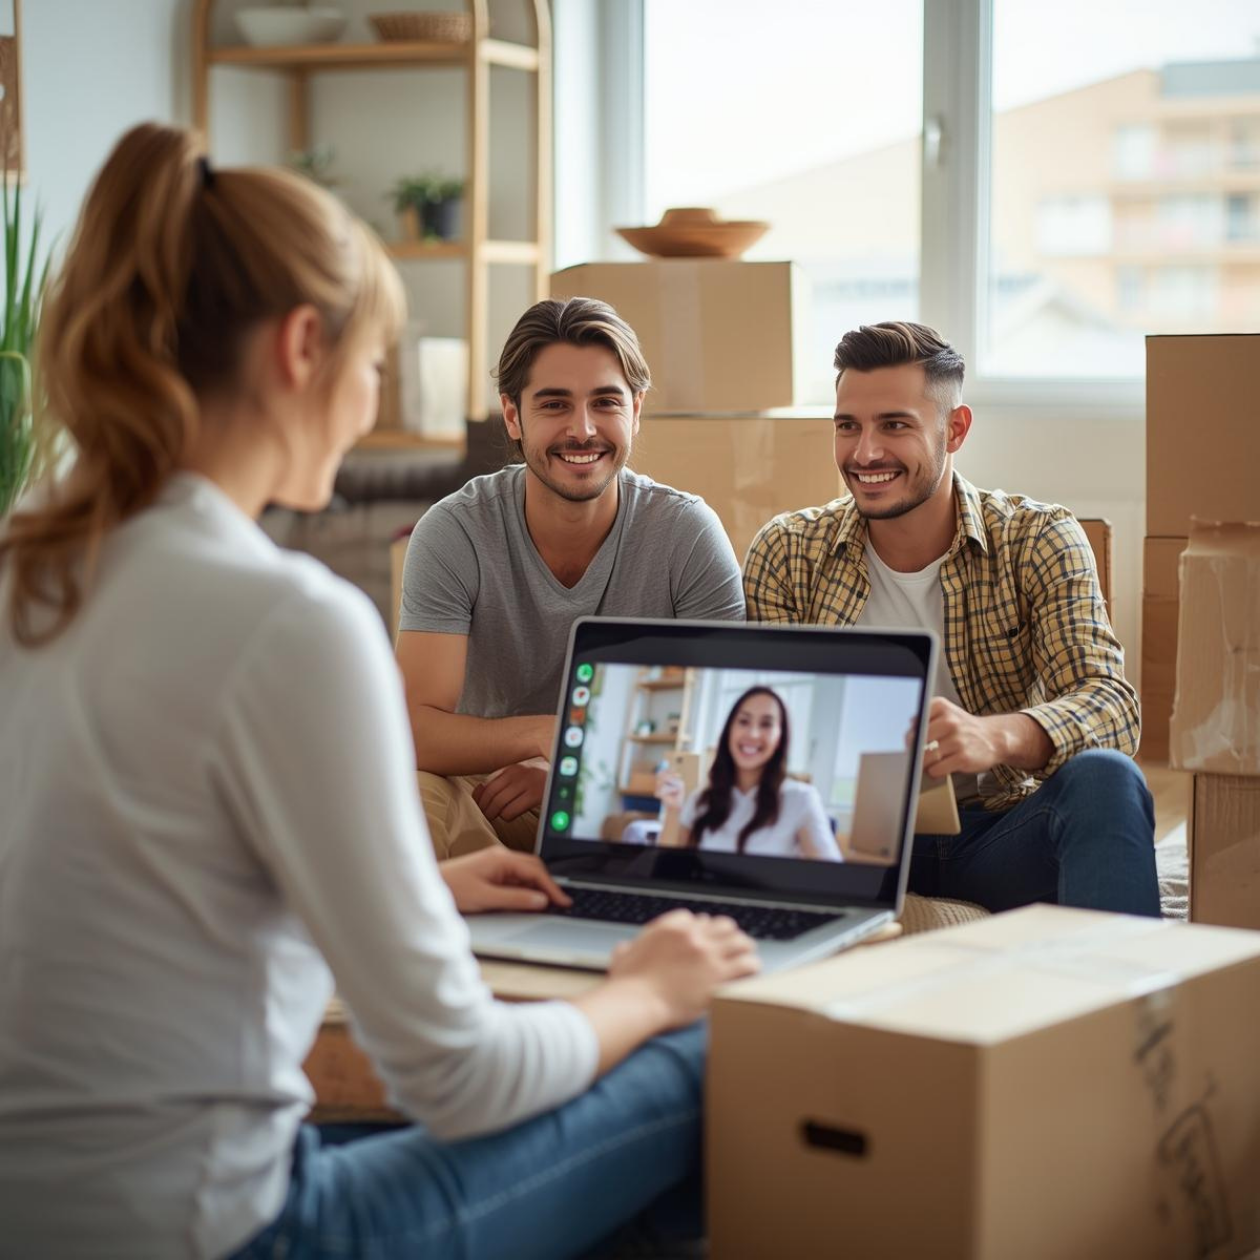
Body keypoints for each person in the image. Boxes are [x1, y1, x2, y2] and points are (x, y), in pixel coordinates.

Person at [0, 123, 759, 1260]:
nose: (368, 405)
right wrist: (650, 990)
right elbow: (464, 1080)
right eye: (373, 368)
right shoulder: (292, 622)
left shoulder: (27, 569)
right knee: (702, 1055)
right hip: (230, 1231)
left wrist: (422, 889)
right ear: (303, 348)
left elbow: (142, 888)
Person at [742, 321, 1159, 916]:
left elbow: (1112, 709)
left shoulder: (1036, 538)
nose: (865, 453)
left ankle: (1123, 1005)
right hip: (845, 848)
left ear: (954, 429)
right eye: (848, 426)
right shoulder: (786, 551)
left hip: (996, 834)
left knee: (1108, 779)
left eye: (895, 425)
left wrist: (997, 735)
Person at [396, 296, 746, 861]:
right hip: (492, 800)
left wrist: (582, 770)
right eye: (554, 404)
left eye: (604, 402)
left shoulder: (686, 533)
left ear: (635, 409)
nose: (581, 430)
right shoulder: (456, 530)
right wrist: (549, 734)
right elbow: (411, 729)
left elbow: (725, 728)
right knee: (413, 795)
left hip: (639, 799)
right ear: (513, 415)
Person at [655, 688, 841, 861]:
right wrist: (673, 809)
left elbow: (833, 882)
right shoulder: (701, 799)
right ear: (729, 730)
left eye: (766, 724)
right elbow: (667, 864)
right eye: (743, 721)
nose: (753, 734)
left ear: (780, 738)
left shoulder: (801, 799)